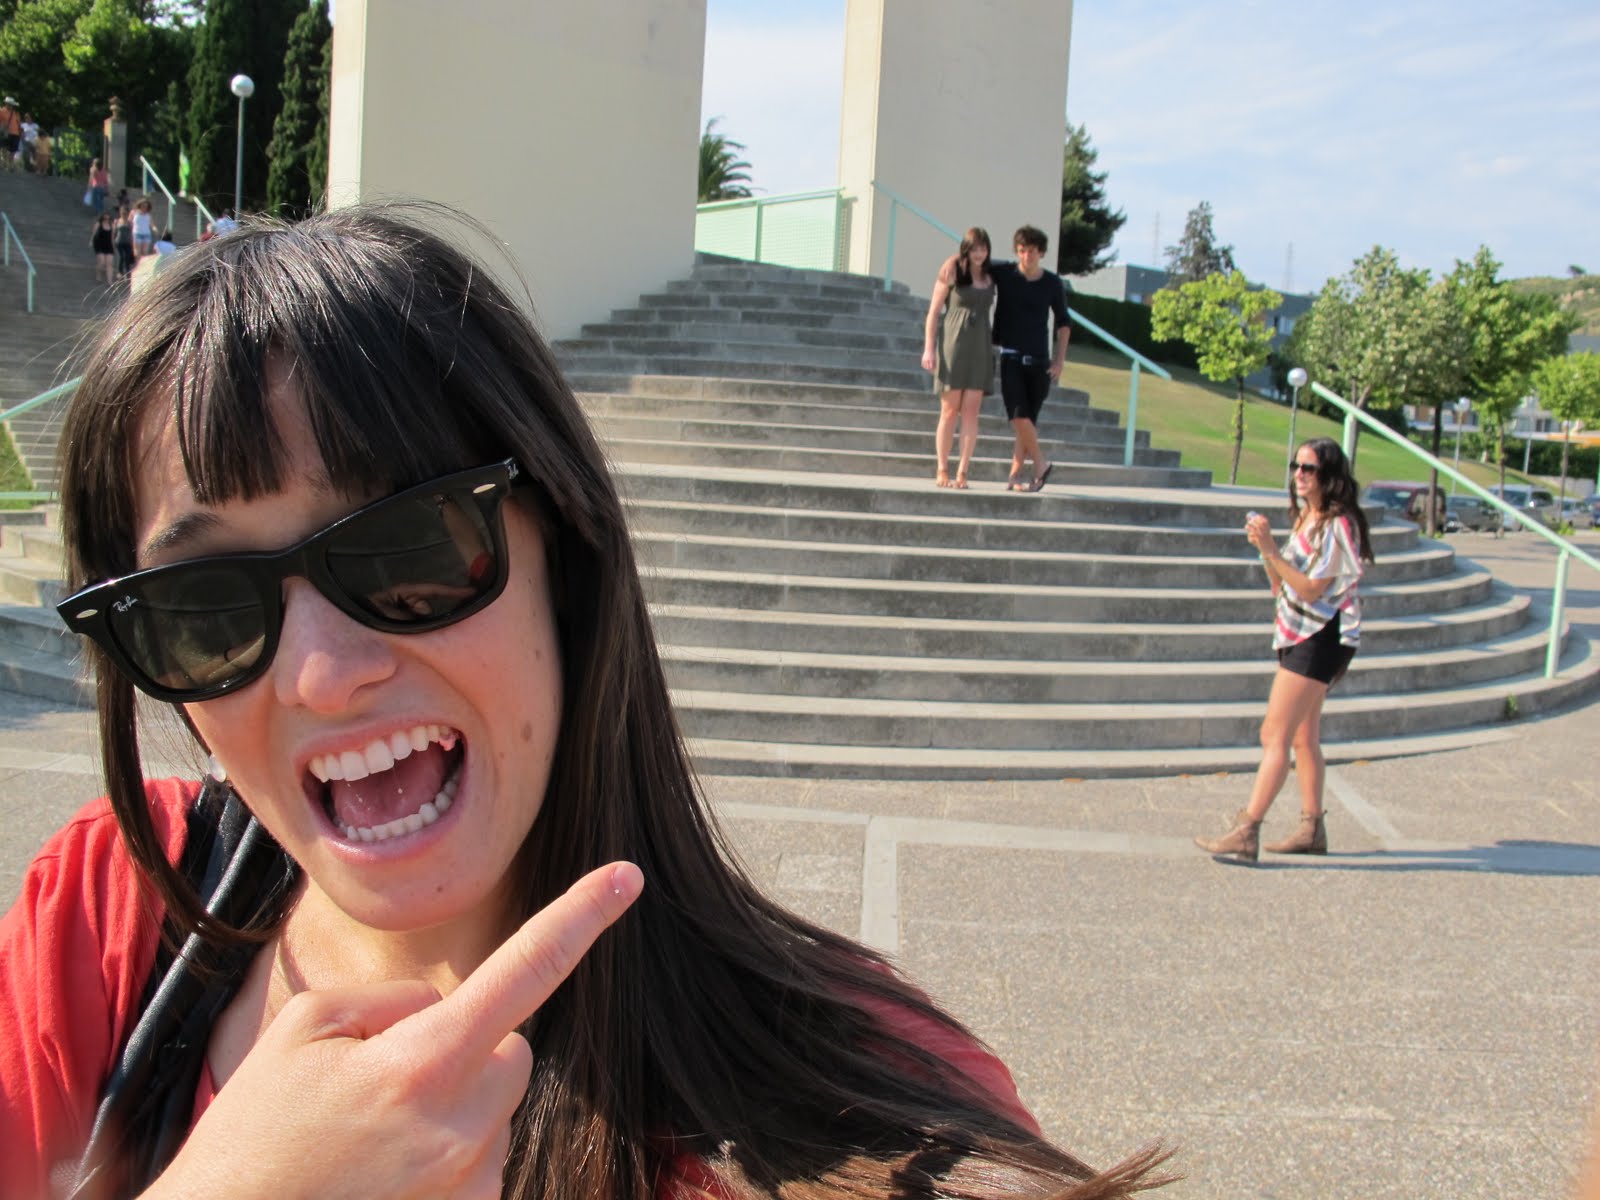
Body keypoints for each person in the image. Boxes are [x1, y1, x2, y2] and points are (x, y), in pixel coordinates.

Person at [0, 206, 1172, 1200]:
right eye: (204, 605)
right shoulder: (108, 915)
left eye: (409, 548)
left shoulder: (875, 1124)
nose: (321, 671)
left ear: (561, 556)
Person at [1194, 437, 1375, 862]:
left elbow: (1312, 589)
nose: (1298, 475)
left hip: (1322, 635)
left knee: (1273, 734)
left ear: (1329, 476)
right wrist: (1265, 550)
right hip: (1300, 631)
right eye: (1296, 466)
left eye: (1309, 468)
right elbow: (1281, 585)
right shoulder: (1307, 518)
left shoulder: (1338, 525)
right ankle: (1312, 828)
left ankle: (1247, 830)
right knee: (1302, 736)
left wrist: (1273, 550)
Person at [989, 226, 1070, 493]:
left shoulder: (1052, 283)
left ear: (1041, 253)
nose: (1027, 256)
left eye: (1032, 251)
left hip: (1039, 362)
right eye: (1022, 251)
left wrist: (1059, 361)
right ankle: (1040, 465)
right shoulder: (1005, 273)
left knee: (1027, 423)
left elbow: (1064, 324)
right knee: (1018, 417)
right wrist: (951, 263)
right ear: (1017, 251)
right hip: (1011, 357)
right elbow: (974, 260)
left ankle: (1015, 476)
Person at [920, 227, 995, 489]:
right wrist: (929, 348)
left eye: (983, 248)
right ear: (966, 249)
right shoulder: (951, 272)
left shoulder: (991, 276)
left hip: (980, 348)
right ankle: (942, 468)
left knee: (971, 411)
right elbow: (933, 313)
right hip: (953, 346)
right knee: (949, 410)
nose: (979, 253)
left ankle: (963, 471)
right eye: (974, 248)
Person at [90, 212, 115, 286]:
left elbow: (112, 238)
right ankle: (98, 275)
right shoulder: (98, 224)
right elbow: (94, 234)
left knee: (109, 263)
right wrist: (91, 241)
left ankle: (110, 281)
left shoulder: (112, 225)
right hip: (99, 244)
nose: (106, 220)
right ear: (102, 218)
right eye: (105, 218)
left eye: (108, 218)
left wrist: (113, 247)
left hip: (108, 245)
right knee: (102, 261)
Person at [111, 207, 135, 278]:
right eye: (122, 213)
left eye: (125, 213)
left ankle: (127, 272)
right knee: (121, 256)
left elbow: (133, 233)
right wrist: (112, 243)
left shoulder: (130, 222)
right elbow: (113, 233)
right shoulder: (117, 221)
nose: (124, 214)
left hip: (128, 242)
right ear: (120, 213)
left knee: (127, 257)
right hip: (119, 242)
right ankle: (120, 271)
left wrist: (133, 243)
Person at [0, 98, 20, 171]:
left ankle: (10, 164)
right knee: (4, 148)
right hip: (6, 133)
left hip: (15, 133)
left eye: (12, 105)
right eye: (10, 104)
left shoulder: (15, 113)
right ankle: (4, 163)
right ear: (6, 104)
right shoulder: (1, 111)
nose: (11, 106)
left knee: (13, 150)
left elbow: (18, 123)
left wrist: (20, 132)